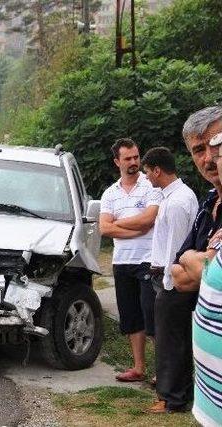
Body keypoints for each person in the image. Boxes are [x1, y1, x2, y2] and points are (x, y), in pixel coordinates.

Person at [163, 106, 222, 414]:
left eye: (216, 146)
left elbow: (207, 273)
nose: (208, 158)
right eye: (199, 150)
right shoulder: (208, 202)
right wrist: (200, 260)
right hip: (210, 391)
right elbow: (178, 274)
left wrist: (197, 263)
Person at [137, 147, 198, 414]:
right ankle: (181, 391)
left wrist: (168, 283)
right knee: (179, 339)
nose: (147, 177)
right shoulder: (177, 196)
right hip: (171, 278)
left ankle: (171, 398)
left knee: (169, 341)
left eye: (148, 171)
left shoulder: (176, 202)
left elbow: (177, 248)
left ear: (157, 170)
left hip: (172, 280)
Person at [99, 138, 162, 382]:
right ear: (117, 162)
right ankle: (138, 368)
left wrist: (117, 223)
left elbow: (148, 219)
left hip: (148, 260)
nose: (134, 162)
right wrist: (133, 229)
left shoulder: (151, 186)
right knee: (131, 316)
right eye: (128, 158)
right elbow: (104, 228)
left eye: (137, 157)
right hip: (122, 260)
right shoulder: (110, 193)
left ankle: (161, 371)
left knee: (151, 314)